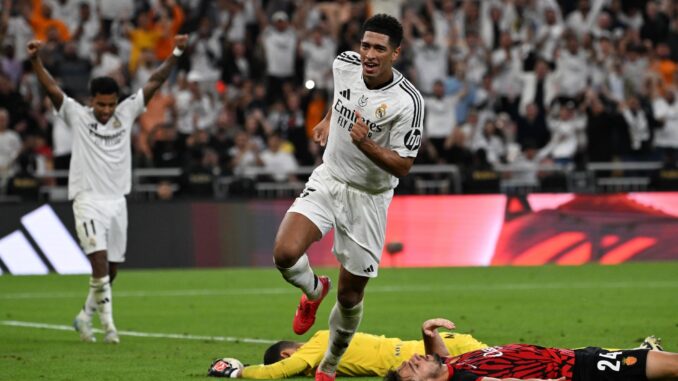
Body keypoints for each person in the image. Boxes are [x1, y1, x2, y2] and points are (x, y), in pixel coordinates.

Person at [271, 13, 425, 381]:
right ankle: (312, 290)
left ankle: (328, 367)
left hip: (369, 199)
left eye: (379, 49)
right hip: (329, 178)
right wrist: (328, 120)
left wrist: (365, 143)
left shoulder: (408, 103)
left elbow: (403, 166)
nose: (369, 54)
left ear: (396, 53)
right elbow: (344, 96)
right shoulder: (345, 64)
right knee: (285, 253)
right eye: (366, 45)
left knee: (350, 296)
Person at [27, 34, 189, 344]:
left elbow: (155, 80)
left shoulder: (125, 113)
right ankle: (109, 327)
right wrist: (35, 60)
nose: (106, 110)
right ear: (91, 101)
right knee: (99, 264)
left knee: (111, 270)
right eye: (101, 104)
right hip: (88, 200)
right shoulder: (77, 115)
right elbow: (51, 88)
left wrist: (177, 51)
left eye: (111, 104)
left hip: (118, 202)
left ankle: (83, 317)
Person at [387, 318, 676, 381]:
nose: (414, 358)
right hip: (585, 371)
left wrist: (429, 335)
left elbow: (446, 359)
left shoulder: (453, 368)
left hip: (579, 358)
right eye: (414, 367)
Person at [216, 329, 487, 378]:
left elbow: (280, 371)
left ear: (288, 353)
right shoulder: (326, 341)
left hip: (441, 354)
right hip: (440, 349)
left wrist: (236, 372)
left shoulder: (318, 342)